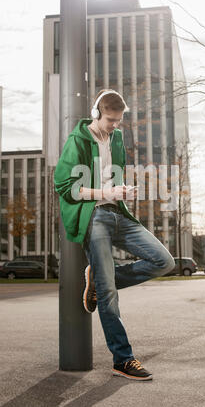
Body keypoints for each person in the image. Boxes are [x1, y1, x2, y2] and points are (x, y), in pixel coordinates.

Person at [54, 89, 175, 381]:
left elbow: (112, 173)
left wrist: (122, 190)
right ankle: (123, 359)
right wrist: (104, 192)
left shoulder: (117, 138)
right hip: (94, 216)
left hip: (118, 213)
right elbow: (64, 186)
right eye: (110, 120)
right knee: (109, 296)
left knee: (164, 261)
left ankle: (100, 279)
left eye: (118, 121)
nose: (115, 126)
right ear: (96, 113)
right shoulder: (78, 140)